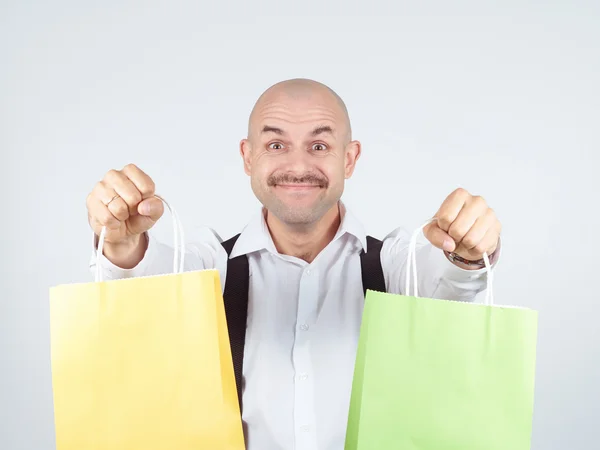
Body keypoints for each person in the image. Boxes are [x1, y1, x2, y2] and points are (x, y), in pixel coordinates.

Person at [87, 78, 501, 450]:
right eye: (276, 145)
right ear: (248, 158)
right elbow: (149, 282)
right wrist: (123, 246)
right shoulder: (214, 265)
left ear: (349, 159)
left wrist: (464, 253)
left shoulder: (393, 266)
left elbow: (450, 285)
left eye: (319, 145)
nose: (299, 167)